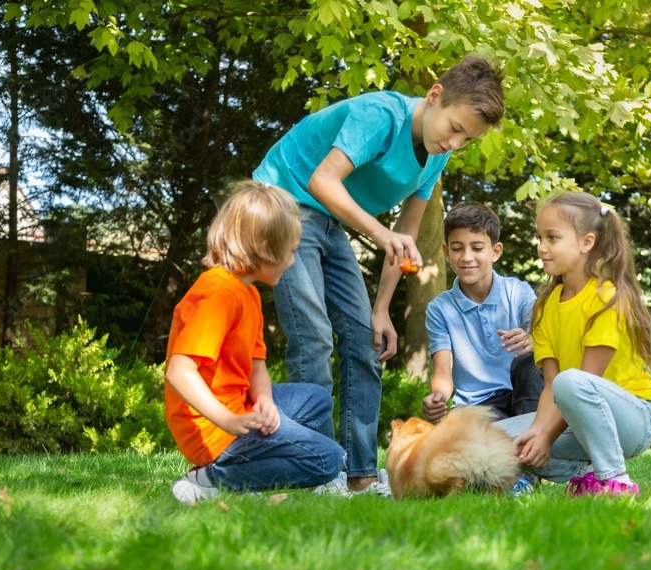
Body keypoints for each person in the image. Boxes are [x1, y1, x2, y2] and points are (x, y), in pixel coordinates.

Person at [252, 54, 505, 493]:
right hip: (283, 200)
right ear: (434, 96)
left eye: (468, 140)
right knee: (313, 336)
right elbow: (322, 181)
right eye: (455, 129)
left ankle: (361, 476)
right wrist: (378, 232)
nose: (455, 144)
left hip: (328, 217)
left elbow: (404, 238)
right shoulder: (379, 117)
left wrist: (382, 310)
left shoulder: (436, 156)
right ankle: (316, 472)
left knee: (365, 343)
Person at [165, 181, 344, 504]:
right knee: (328, 460)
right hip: (213, 428)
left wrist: (264, 402)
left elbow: (257, 364)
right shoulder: (219, 292)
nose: (292, 261)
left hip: (239, 407)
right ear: (263, 247)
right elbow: (178, 371)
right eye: (289, 251)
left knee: (317, 399)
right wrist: (229, 421)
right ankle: (211, 477)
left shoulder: (248, 292)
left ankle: (260, 466)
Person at [495, 191, 651, 496]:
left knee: (572, 382)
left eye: (552, 238)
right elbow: (550, 386)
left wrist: (547, 435)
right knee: (493, 439)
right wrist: (536, 433)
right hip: (575, 412)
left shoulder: (606, 299)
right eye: (540, 237)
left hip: (633, 419)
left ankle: (615, 480)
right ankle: (583, 474)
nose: (541, 247)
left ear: (587, 242)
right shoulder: (546, 306)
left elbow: (582, 383)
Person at [422, 202, 543, 424]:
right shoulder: (439, 309)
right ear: (447, 253)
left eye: (477, 248)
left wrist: (532, 339)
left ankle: (535, 435)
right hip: (478, 406)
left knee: (530, 359)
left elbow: (546, 338)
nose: (467, 257)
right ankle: (521, 442)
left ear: (495, 252)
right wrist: (438, 397)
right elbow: (442, 372)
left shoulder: (518, 292)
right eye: (457, 248)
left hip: (525, 397)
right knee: (473, 431)